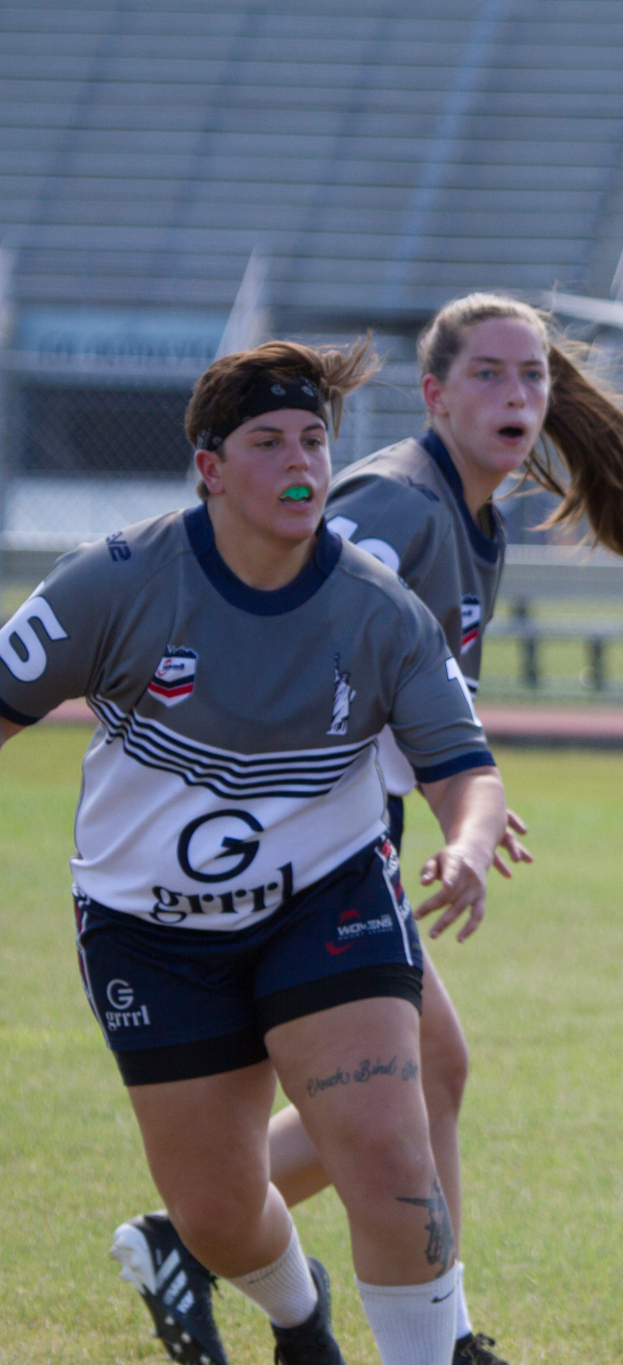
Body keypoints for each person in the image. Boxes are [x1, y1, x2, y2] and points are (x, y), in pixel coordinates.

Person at [114, 293, 623, 1365]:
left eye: (532, 378)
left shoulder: (471, 519)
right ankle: (393, 1319)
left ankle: (204, 1242)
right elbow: (287, 627)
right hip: (285, 854)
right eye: (490, 376)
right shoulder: (398, 503)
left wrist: (462, 795)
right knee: (411, 1081)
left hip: (336, 841)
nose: (517, 395)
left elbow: (408, 691)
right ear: (434, 394)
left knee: (433, 1071)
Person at [0, 340, 509, 1365]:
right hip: (149, 934)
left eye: (315, 441)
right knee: (218, 1213)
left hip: (325, 902)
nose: (301, 464)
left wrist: (465, 844)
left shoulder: (377, 608)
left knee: (387, 1153)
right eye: (269, 441)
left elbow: (468, 770)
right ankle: (296, 1317)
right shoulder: (118, 581)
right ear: (209, 467)